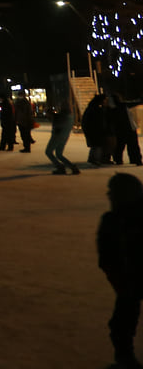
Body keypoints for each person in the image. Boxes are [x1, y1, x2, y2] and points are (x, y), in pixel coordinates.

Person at [97, 173, 143, 368]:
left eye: (113, 191)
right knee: (122, 322)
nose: (109, 195)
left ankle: (124, 357)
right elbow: (107, 257)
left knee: (122, 321)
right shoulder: (112, 220)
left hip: (129, 280)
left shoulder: (114, 220)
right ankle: (125, 357)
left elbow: (106, 256)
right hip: (128, 281)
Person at [46, 100, 80, 175]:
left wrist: (52, 115)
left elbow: (57, 123)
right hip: (65, 136)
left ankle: (60, 167)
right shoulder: (70, 115)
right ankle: (72, 167)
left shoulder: (62, 116)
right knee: (59, 154)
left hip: (57, 136)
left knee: (48, 152)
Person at [110, 93, 143, 167]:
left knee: (120, 146)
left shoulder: (112, 109)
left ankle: (118, 160)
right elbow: (135, 102)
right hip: (130, 129)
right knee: (133, 146)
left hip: (120, 130)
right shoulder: (123, 105)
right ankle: (136, 160)